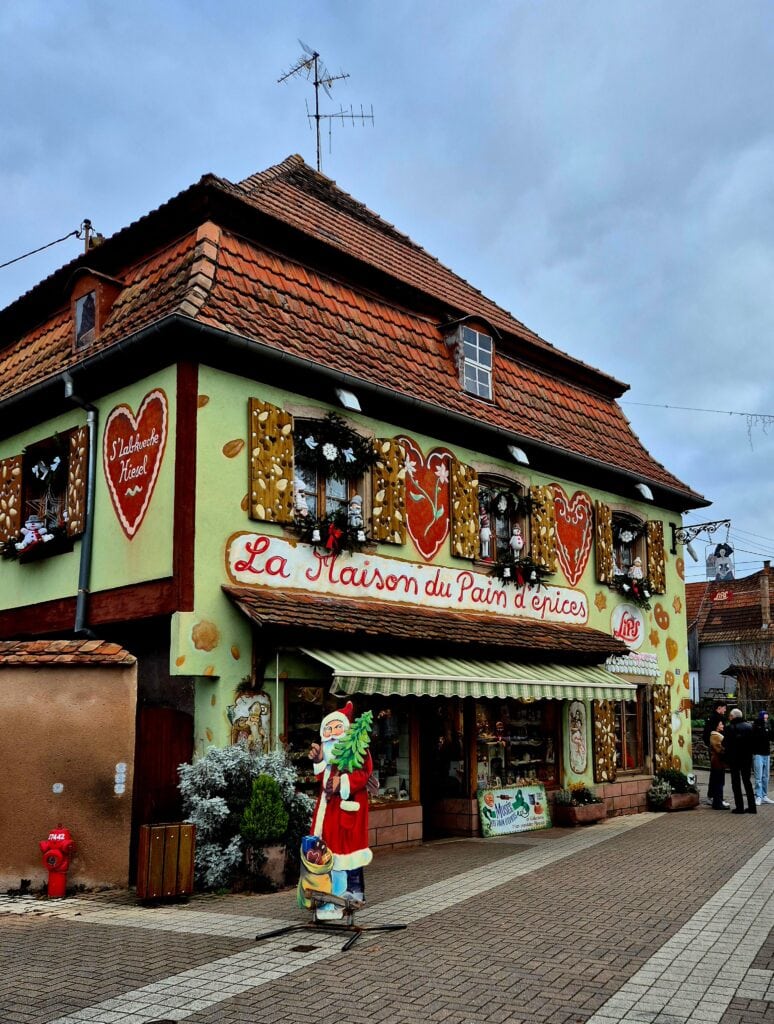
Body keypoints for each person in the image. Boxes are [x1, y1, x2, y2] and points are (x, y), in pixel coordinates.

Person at [308, 701, 373, 918]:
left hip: (347, 810)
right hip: (328, 812)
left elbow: (363, 774)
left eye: (337, 728)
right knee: (330, 852)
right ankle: (330, 899)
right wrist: (318, 761)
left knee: (348, 854)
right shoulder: (327, 751)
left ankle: (352, 896)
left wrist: (342, 783)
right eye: (328, 729)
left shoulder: (356, 748)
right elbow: (323, 778)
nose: (333, 733)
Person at [723, 708, 756, 814]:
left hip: (734, 759)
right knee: (747, 782)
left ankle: (740, 807)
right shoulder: (750, 727)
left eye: (730, 716)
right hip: (747, 758)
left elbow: (724, 743)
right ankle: (752, 807)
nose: (729, 717)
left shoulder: (729, 728)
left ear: (733, 717)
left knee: (736, 783)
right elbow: (754, 743)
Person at [752, 709, 773, 805]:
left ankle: (764, 795)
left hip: (766, 754)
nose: (766, 719)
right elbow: (756, 737)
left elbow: (771, 737)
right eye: (764, 718)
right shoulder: (756, 726)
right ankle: (758, 796)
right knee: (758, 777)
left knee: (766, 776)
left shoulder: (767, 726)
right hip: (758, 754)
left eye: (767, 718)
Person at [707, 720, 730, 810]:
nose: (723, 725)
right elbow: (720, 749)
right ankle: (717, 803)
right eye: (721, 724)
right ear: (716, 726)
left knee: (720, 782)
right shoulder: (715, 736)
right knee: (719, 783)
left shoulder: (717, 735)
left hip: (719, 762)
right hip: (717, 762)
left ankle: (718, 801)